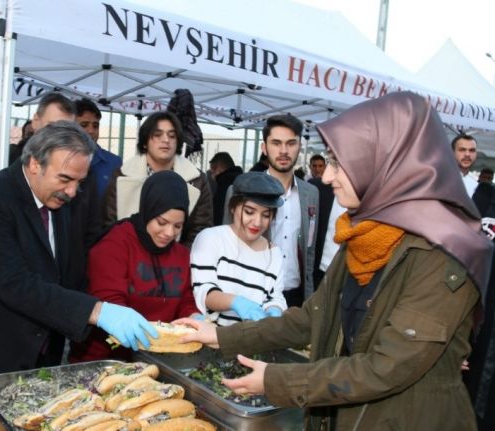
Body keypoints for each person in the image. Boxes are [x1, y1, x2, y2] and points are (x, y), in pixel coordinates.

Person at [176, 92, 492, 430]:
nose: (327, 177)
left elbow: (385, 368)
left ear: (386, 164)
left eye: (339, 164)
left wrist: (279, 380)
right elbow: (310, 320)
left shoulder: (442, 255)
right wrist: (222, 337)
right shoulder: (362, 236)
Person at [0, 121, 158, 418]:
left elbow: (65, 274)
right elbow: (15, 283)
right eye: (65, 179)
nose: (72, 191)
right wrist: (97, 311)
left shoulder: (60, 203)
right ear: (34, 164)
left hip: (30, 360)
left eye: (79, 181)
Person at [70, 171, 199, 362]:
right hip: (104, 359)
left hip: (158, 358)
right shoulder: (115, 243)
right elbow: (108, 301)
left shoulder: (181, 254)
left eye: (178, 226)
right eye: (161, 222)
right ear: (148, 211)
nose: (169, 233)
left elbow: (186, 298)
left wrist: (194, 316)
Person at [0, 92, 76, 218]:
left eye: (65, 130)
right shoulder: (7, 156)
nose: (57, 136)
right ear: (35, 121)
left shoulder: (76, 172)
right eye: (51, 126)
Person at [102, 111, 213, 247]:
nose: (166, 140)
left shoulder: (197, 180)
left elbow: (200, 230)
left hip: (176, 261)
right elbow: (109, 223)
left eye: (172, 135)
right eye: (157, 135)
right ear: (144, 142)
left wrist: (179, 258)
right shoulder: (122, 175)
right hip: (127, 255)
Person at [191, 172, 287, 326]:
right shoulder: (210, 239)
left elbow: (275, 296)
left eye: (266, 215)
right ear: (233, 207)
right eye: (249, 212)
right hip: (211, 336)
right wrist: (236, 302)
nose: (257, 222)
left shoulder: (274, 254)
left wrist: (274, 310)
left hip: (252, 341)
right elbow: (204, 292)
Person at [258, 114, 318, 307]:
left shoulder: (311, 194)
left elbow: (310, 248)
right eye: (276, 143)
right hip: (256, 294)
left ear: (299, 147)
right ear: (264, 148)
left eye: (291, 143)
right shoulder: (241, 190)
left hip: (296, 297)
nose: (284, 151)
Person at [75, 98, 122, 199]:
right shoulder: (59, 160)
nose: (91, 130)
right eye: (84, 125)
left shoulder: (114, 163)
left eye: (95, 126)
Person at [308, 154, 335, 287]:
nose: (318, 169)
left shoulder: (333, 190)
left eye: (320, 166)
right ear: (310, 167)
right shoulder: (307, 187)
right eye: (315, 166)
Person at [208, 152, 243, 226]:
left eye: (212, 171)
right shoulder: (242, 180)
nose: (212, 176)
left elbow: (218, 214)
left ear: (218, 168)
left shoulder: (223, 183)